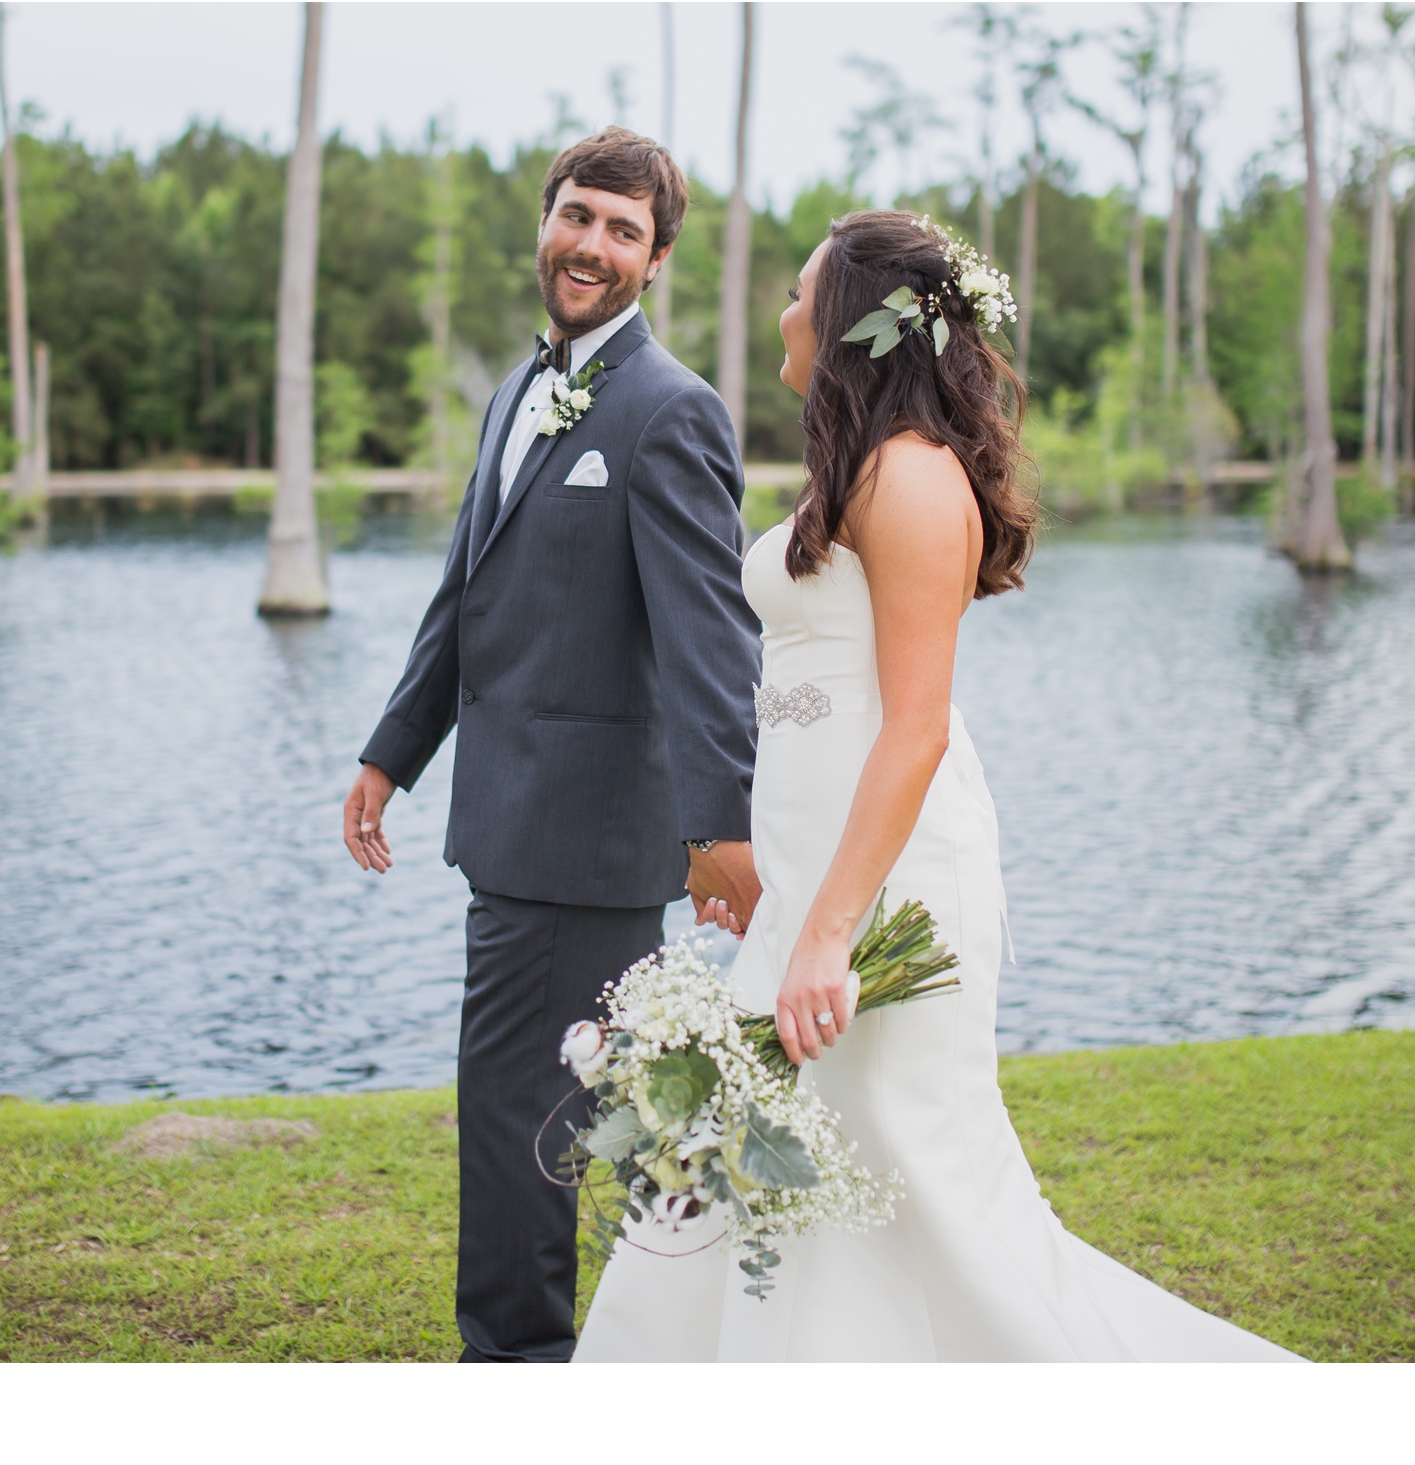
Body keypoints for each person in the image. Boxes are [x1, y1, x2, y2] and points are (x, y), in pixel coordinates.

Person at [572, 210, 1305, 1362]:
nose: (782, 312)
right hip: (812, 874)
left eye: (801, 291)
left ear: (852, 320)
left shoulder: (911, 478)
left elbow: (910, 732)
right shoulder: (853, 469)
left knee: (911, 1169)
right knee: (780, 1149)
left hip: (884, 885)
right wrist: (737, 853)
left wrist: (826, 933)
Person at [342, 128, 764, 1363]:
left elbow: (709, 642)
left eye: (621, 229)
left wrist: (718, 828)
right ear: (545, 222)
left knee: (525, 1119)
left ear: (657, 257)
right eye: (576, 215)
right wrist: (391, 752)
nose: (590, 244)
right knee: (538, 1115)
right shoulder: (512, 392)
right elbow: (463, 597)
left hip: (589, 839)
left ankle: (516, 1365)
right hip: (508, 825)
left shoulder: (669, 412)